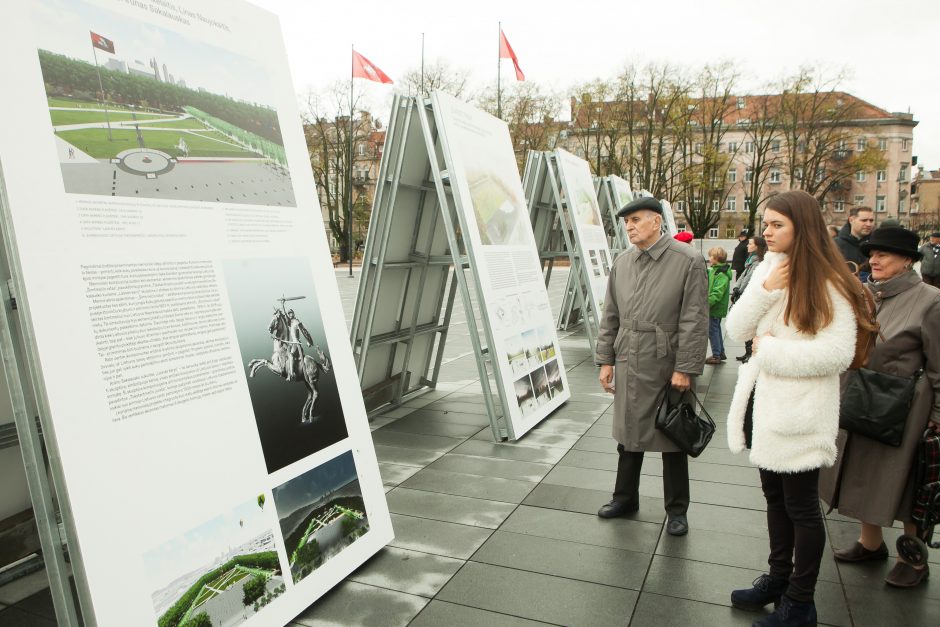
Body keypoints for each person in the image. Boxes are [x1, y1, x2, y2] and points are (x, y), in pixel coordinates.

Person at [724, 190, 870, 627]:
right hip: (765, 406)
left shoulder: (828, 281)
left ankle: (800, 602)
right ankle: (778, 578)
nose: (766, 232)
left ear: (800, 227)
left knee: (802, 507)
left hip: (802, 412)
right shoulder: (769, 269)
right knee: (774, 498)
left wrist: (769, 353)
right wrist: (765, 290)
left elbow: (838, 354)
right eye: (765, 224)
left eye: (776, 225)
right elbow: (735, 330)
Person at [820, 226, 940, 589]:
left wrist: (937, 419)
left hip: (906, 406)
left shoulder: (930, 301)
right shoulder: (866, 293)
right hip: (860, 395)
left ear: (908, 260)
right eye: (872, 253)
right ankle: (870, 544)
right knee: (860, 472)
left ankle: (913, 559)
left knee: (905, 481)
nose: (874, 259)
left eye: (885, 253)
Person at [595, 196, 708, 537]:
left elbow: (695, 319)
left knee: (672, 436)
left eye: (636, 220)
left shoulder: (687, 260)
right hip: (629, 357)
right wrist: (605, 360)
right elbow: (610, 315)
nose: (629, 226)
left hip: (666, 363)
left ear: (657, 221)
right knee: (629, 434)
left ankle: (677, 511)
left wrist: (685, 368)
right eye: (626, 221)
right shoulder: (623, 261)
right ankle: (624, 498)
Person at [732, 236, 768, 363]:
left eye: (751, 244)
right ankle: (748, 352)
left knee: (750, 325)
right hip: (743, 294)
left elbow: (749, 279)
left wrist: (739, 290)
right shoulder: (751, 260)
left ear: (757, 247)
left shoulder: (757, 261)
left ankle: (750, 353)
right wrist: (736, 288)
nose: (747, 245)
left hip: (748, 296)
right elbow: (743, 276)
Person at [705, 247, 732, 365]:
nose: (709, 258)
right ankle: (720, 352)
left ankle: (716, 355)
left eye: (711, 256)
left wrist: (705, 304)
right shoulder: (715, 270)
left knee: (712, 331)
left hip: (715, 307)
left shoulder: (721, 273)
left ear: (716, 258)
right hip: (714, 307)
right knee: (716, 330)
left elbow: (717, 293)